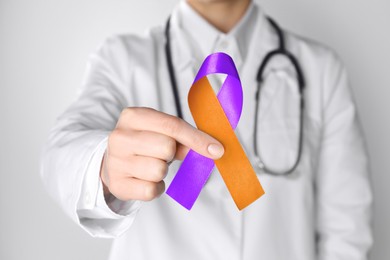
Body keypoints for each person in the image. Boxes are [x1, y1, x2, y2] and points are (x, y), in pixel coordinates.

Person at [41, 0, 373, 259]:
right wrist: (103, 166)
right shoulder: (121, 59)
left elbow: (346, 230)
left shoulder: (320, 69)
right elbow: (61, 151)